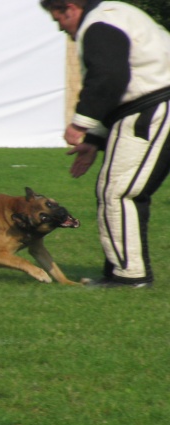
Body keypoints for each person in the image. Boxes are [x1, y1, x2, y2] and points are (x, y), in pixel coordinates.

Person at [40, 0, 170, 288]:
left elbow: (110, 77)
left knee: (120, 193)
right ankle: (122, 271)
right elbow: (120, 86)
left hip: (155, 108)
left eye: (57, 19)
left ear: (70, 8)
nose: (60, 27)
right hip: (151, 106)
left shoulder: (98, 23)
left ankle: (129, 277)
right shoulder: (114, 14)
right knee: (119, 192)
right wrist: (95, 139)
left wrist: (81, 123)